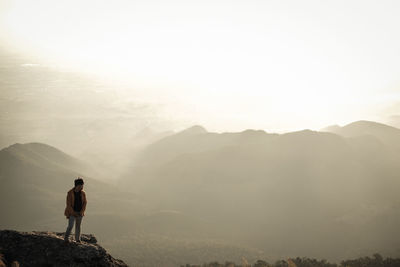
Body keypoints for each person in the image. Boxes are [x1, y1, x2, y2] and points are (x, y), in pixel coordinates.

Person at [64, 177, 87, 243]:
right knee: (70, 226)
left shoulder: (83, 193)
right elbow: (68, 205)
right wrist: (73, 213)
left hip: (80, 212)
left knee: (78, 226)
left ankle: (77, 239)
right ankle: (66, 238)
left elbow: (85, 203)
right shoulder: (70, 193)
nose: (82, 186)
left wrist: (82, 212)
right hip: (72, 213)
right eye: (81, 185)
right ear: (77, 185)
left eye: (82, 185)